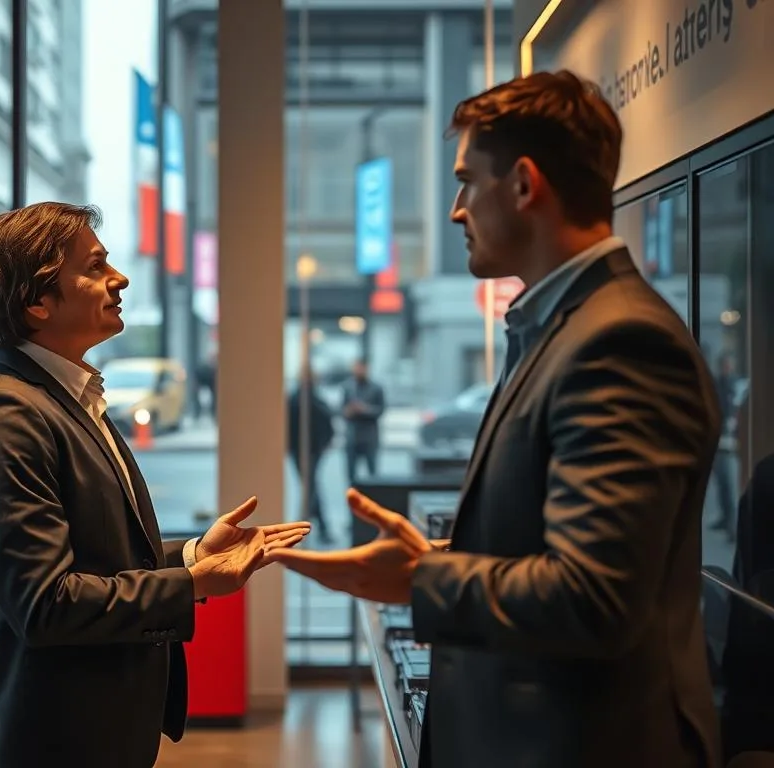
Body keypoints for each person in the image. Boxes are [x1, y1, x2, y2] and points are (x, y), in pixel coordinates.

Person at [272, 70, 722, 768]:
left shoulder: (620, 342)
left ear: (522, 185)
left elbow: (594, 596)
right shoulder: (563, 327)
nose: (456, 209)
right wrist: (440, 562)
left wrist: (420, 581)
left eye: (466, 181)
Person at [0, 202, 310, 768]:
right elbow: (46, 604)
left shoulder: (61, 397)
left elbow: (88, 557)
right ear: (37, 301)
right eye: (94, 266)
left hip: (94, 725)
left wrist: (188, 558)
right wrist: (191, 584)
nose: (121, 278)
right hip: (54, 738)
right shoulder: (4, 418)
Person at [287, 367, 336, 544]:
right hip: (299, 449)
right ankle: (319, 527)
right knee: (311, 487)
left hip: (312, 449)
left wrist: (325, 442)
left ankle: (307, 526)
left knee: (310, 487)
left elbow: (326, 421)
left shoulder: (313, 399)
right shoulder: (296, 399)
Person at [341, 360, 385, 484]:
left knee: (373, 474)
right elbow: (342, 410)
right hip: (352, 436)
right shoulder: (348, 387)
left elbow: (381, 410)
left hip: (369, 437)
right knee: (351, 474)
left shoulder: (376, 388)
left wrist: (365, 409)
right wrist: (349, 411)